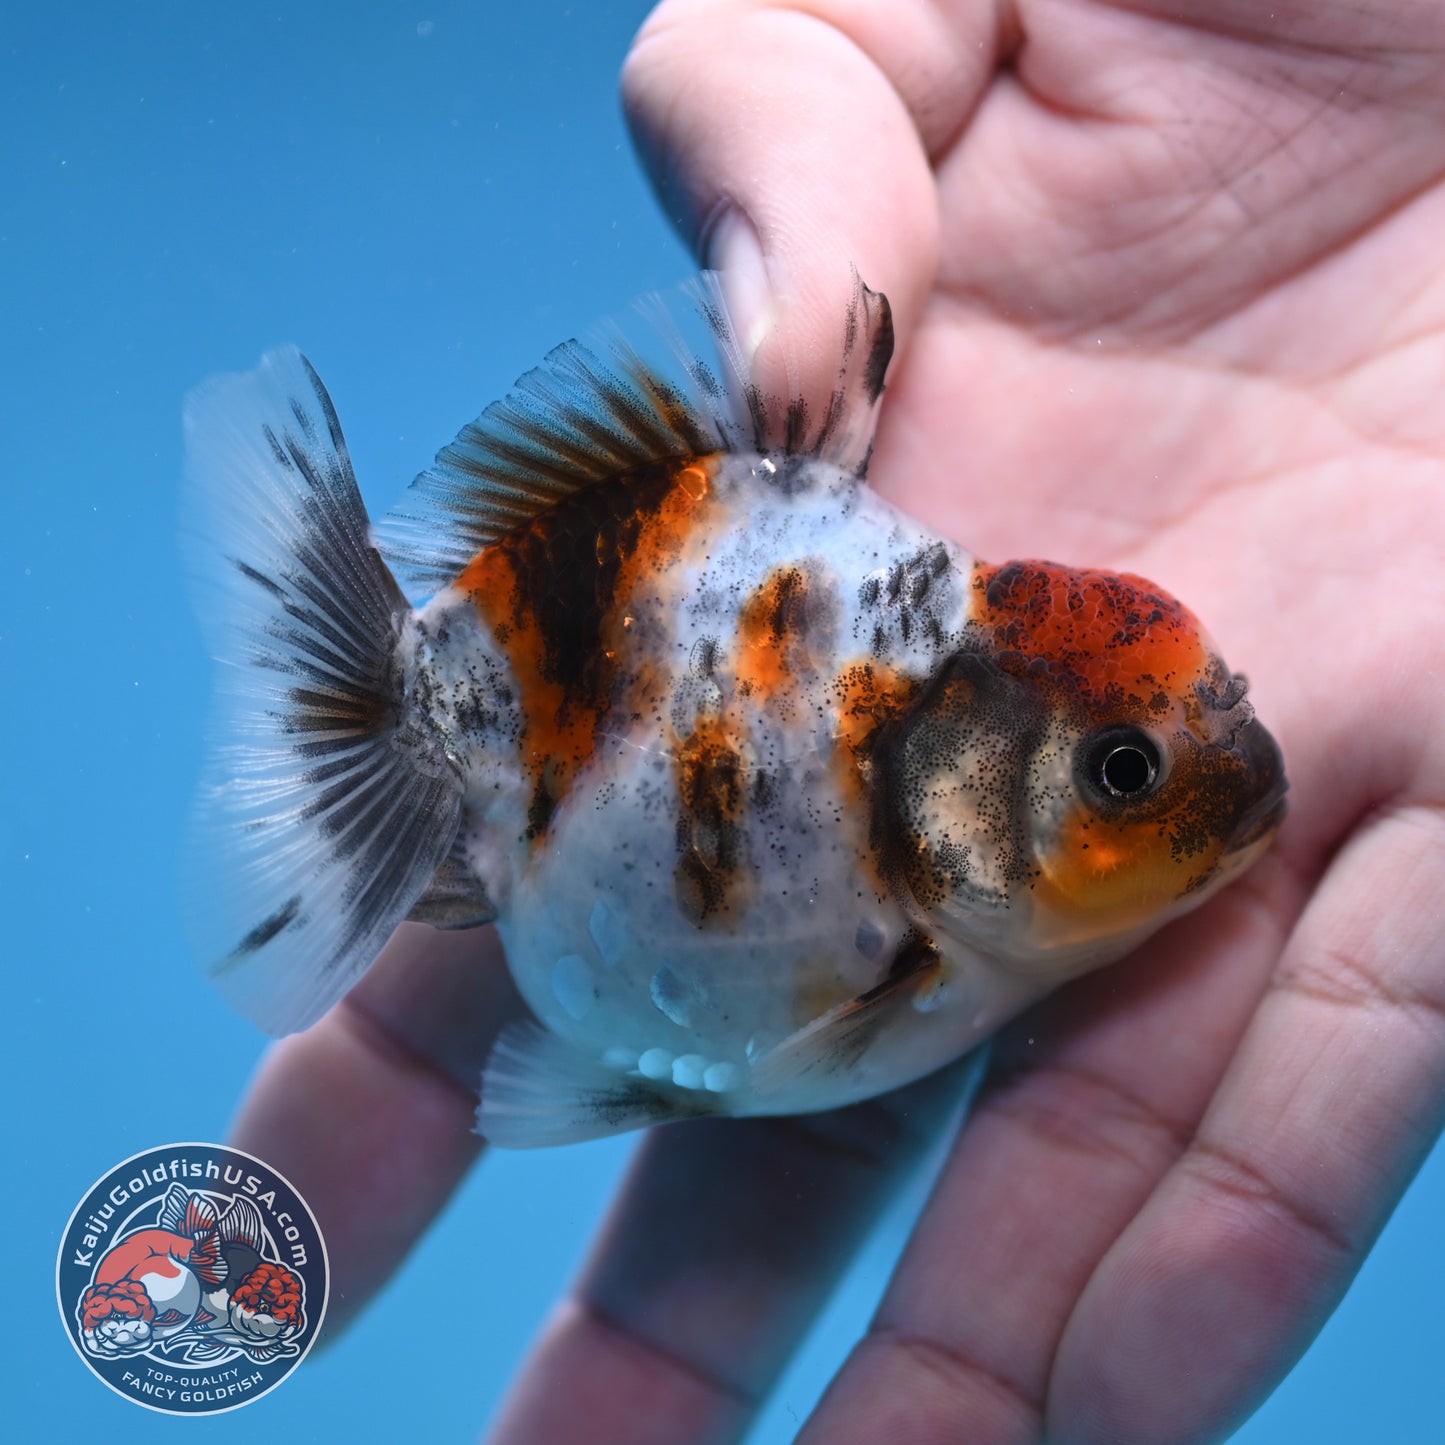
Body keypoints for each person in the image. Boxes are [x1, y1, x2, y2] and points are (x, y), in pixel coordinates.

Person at [231, 2, 1445, 1439]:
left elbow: (592, 1076)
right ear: (956, 793)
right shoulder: (911, 919)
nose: (1184, 796)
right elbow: (599, 1069)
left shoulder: (939, 922)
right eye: (1122, 775)